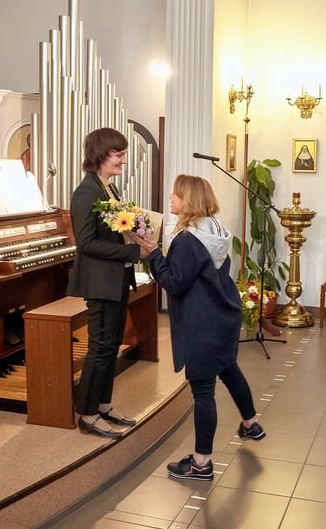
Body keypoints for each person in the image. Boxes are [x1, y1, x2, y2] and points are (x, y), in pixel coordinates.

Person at [135, 175, 265, 480]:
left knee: (204, 393)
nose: (171, 197)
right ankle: (250, 424)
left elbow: (174, 283)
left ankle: (201, 463)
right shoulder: (215, 229)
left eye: (176, 194)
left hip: (201, 323)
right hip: (223, 316)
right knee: (229, 369)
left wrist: (154, 254)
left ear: (189, 200)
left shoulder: (187, 240)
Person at [68, 127, 148, 438]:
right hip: (100, 281)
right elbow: (86, 243)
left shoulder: (109, 188)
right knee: (100, 347)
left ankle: (103, 404)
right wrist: (133, 251)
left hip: (116, 278)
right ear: (101, 154)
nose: (123, 160)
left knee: (112, 345)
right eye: (119, 154)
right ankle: (87, 414)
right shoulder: (87, 192)